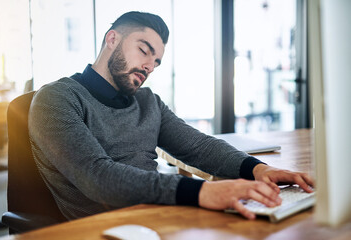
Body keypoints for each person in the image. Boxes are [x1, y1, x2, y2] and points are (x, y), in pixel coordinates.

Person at [29, 11, 314, 221]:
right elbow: (99, 178)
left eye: (156, 62)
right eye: (144, 50)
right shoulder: (57, 99)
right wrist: (202, 192)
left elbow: (199, 147)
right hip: (103, 230)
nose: (149, 66)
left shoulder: (147, 102)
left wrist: (257, 169)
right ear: (112, 39)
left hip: (160, 220)